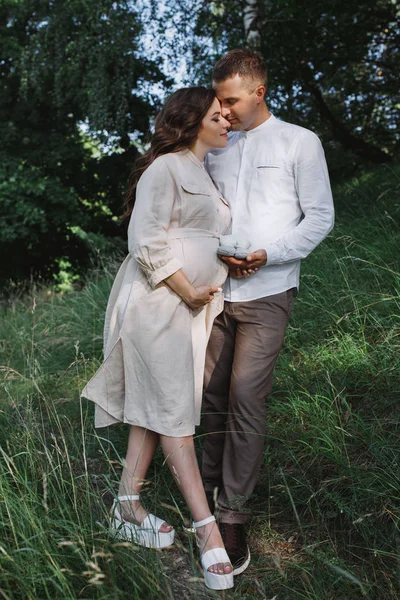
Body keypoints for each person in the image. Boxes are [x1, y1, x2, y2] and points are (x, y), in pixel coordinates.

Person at [81, 87, 235, 590]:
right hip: (158, 303)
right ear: (191, 122)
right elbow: (145, 240)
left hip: (191, 309)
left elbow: (203, 237)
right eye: (217, 114)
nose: (227, 119)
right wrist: (189, 290)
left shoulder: (206, 175)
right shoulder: (165, 168)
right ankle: (206, 529)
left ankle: (126, 506)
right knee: (173, 412)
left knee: (160, 403)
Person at [202, 49, 335, 575]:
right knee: (209, 394)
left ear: (258, 91)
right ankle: (204, 499)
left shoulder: (300, 141)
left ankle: (233, 517)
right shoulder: (216, 145)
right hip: (215, 293)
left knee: (245, 399)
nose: (224, 110)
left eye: (231, 100)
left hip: (270, 291)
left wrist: (267, 255)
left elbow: (320, 216)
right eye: (219, 101)